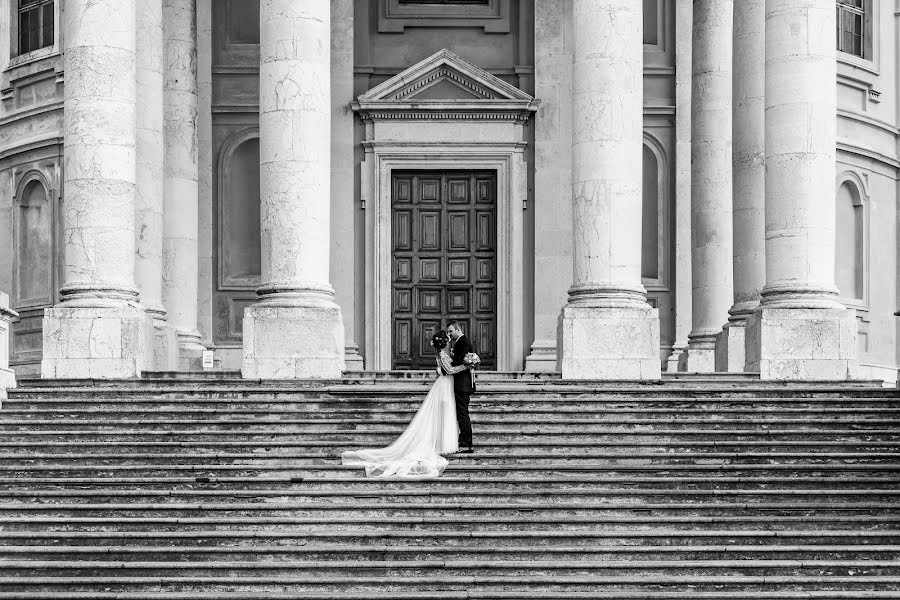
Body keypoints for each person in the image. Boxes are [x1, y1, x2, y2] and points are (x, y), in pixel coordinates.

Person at [340, 330, 468, 477]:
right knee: (443, 413)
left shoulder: (444, 354)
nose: (451, 340)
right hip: (444, 386)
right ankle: (442, 444)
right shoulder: (443, 354)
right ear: (445, 342)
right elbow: (450, 369)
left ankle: (445, 443)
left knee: (446, 413)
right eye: (448, 339)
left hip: (447, 384)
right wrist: (465, 366)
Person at [446, 320, 475, 453]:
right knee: (461, 413)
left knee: (462, 414)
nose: (449, 334)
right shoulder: (461, 342)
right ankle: (464, 440)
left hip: (462, 384)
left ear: (458, 330)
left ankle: (466, 443)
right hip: (462, 383)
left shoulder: (463, 342)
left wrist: (447, 362)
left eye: (451, 331)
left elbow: (458, 361)